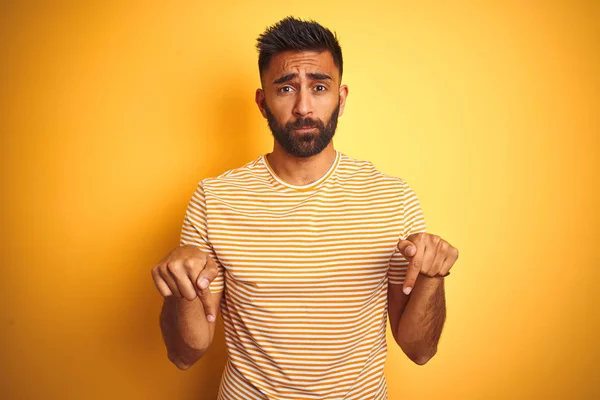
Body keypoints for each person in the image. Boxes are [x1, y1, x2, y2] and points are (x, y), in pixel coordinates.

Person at [151, 16, 459, 400]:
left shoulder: (392, 198)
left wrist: (433, 276)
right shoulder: (215, 199)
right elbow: (185, 353)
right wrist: (177, 287)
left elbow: (420, 350)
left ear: (341, 99)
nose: (303, 106)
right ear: (263, 103)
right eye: (285, 88)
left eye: (318, 87)